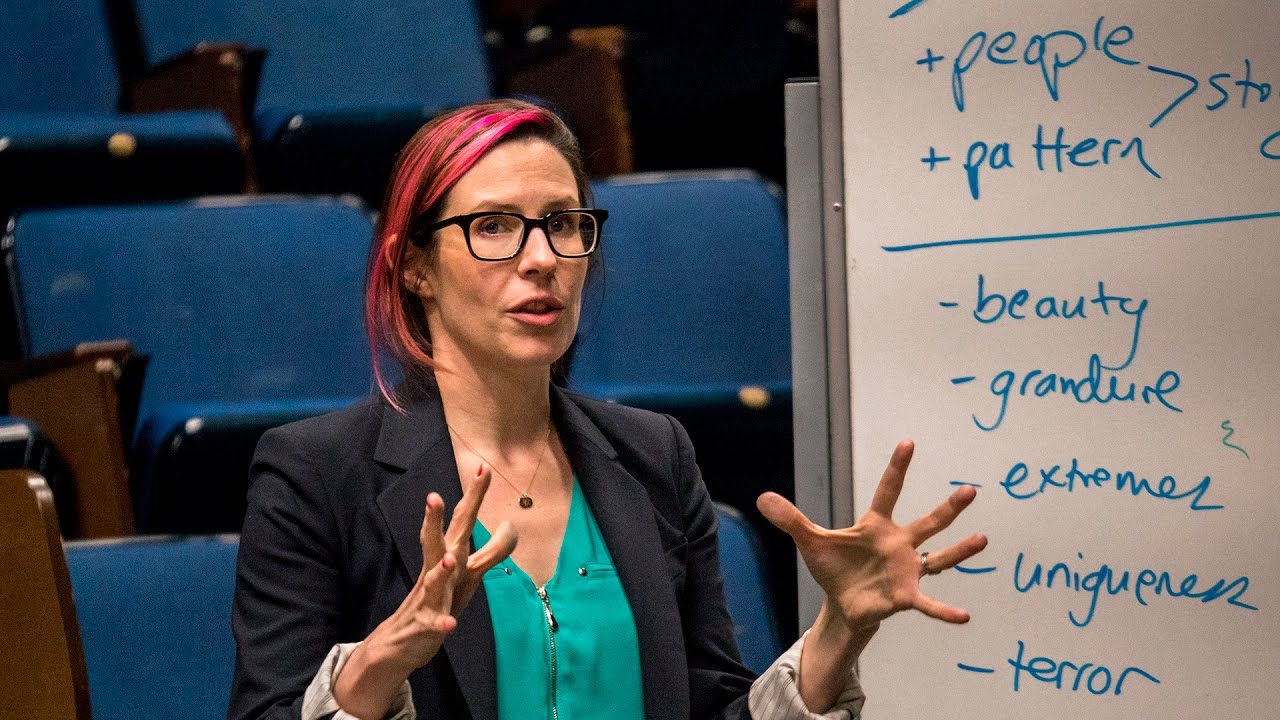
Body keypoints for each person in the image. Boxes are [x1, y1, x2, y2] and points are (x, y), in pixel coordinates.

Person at [227, 98, 988, 720]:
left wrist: (837, 632)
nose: (542, 258)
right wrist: (376, 665)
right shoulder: (317, 474)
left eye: (563, 223)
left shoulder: (655, 455)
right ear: (413, 267)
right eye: (493, 226)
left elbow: (714, 709)